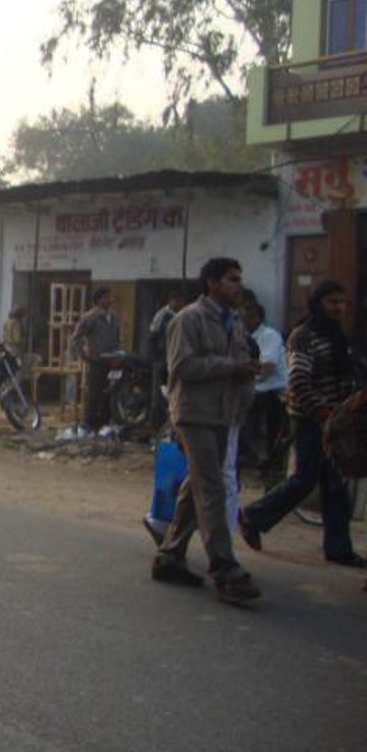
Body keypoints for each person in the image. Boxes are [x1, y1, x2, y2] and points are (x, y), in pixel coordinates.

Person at [151, 257, 261, 604]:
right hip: (193, 414)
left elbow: (241, 366)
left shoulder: (236, 324)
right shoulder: (189, 319)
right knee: (211, 487)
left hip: (222, 414)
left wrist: (246, 380)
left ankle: (169, 555)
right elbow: (181, 366)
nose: (238, 285)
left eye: (239, 279)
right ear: (211, 283)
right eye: (231, 279)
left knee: (195, 484)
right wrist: (232, 367)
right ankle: (224, 568)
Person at [239, 280, 367, 568]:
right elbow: (298, 382)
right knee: (304, 479)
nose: (337, 308)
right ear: (317, 303)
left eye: (341, 302)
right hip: (310, 420)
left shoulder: (339, 337)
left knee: (334, 485)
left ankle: (339, 548)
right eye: (331, 302)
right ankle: (253, 516)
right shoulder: (303, 336)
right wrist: (323, 414)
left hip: (335, 421)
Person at [237, 301, 287, 482]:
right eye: (243, 316)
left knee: (274, 429)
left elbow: (268, 367)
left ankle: (274, 465)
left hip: (273, 389)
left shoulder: (269, 335)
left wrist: (247, 373)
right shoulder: (241, 335)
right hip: (255, 388)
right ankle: (249, 455)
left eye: (250, 316)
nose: (246, 320)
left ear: (259, 317)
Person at [71, 286, 121, 433]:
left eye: (110, 297)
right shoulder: (90, 317)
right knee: (94, 393)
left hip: (112, 360)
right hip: (97, 360)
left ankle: (105, 421)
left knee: (110, 391)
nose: (109, 300)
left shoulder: (113, 316)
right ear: (98, 300)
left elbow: (117, 336)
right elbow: (76, 337)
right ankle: (90, 423)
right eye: (106, 297)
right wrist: (83, 355)